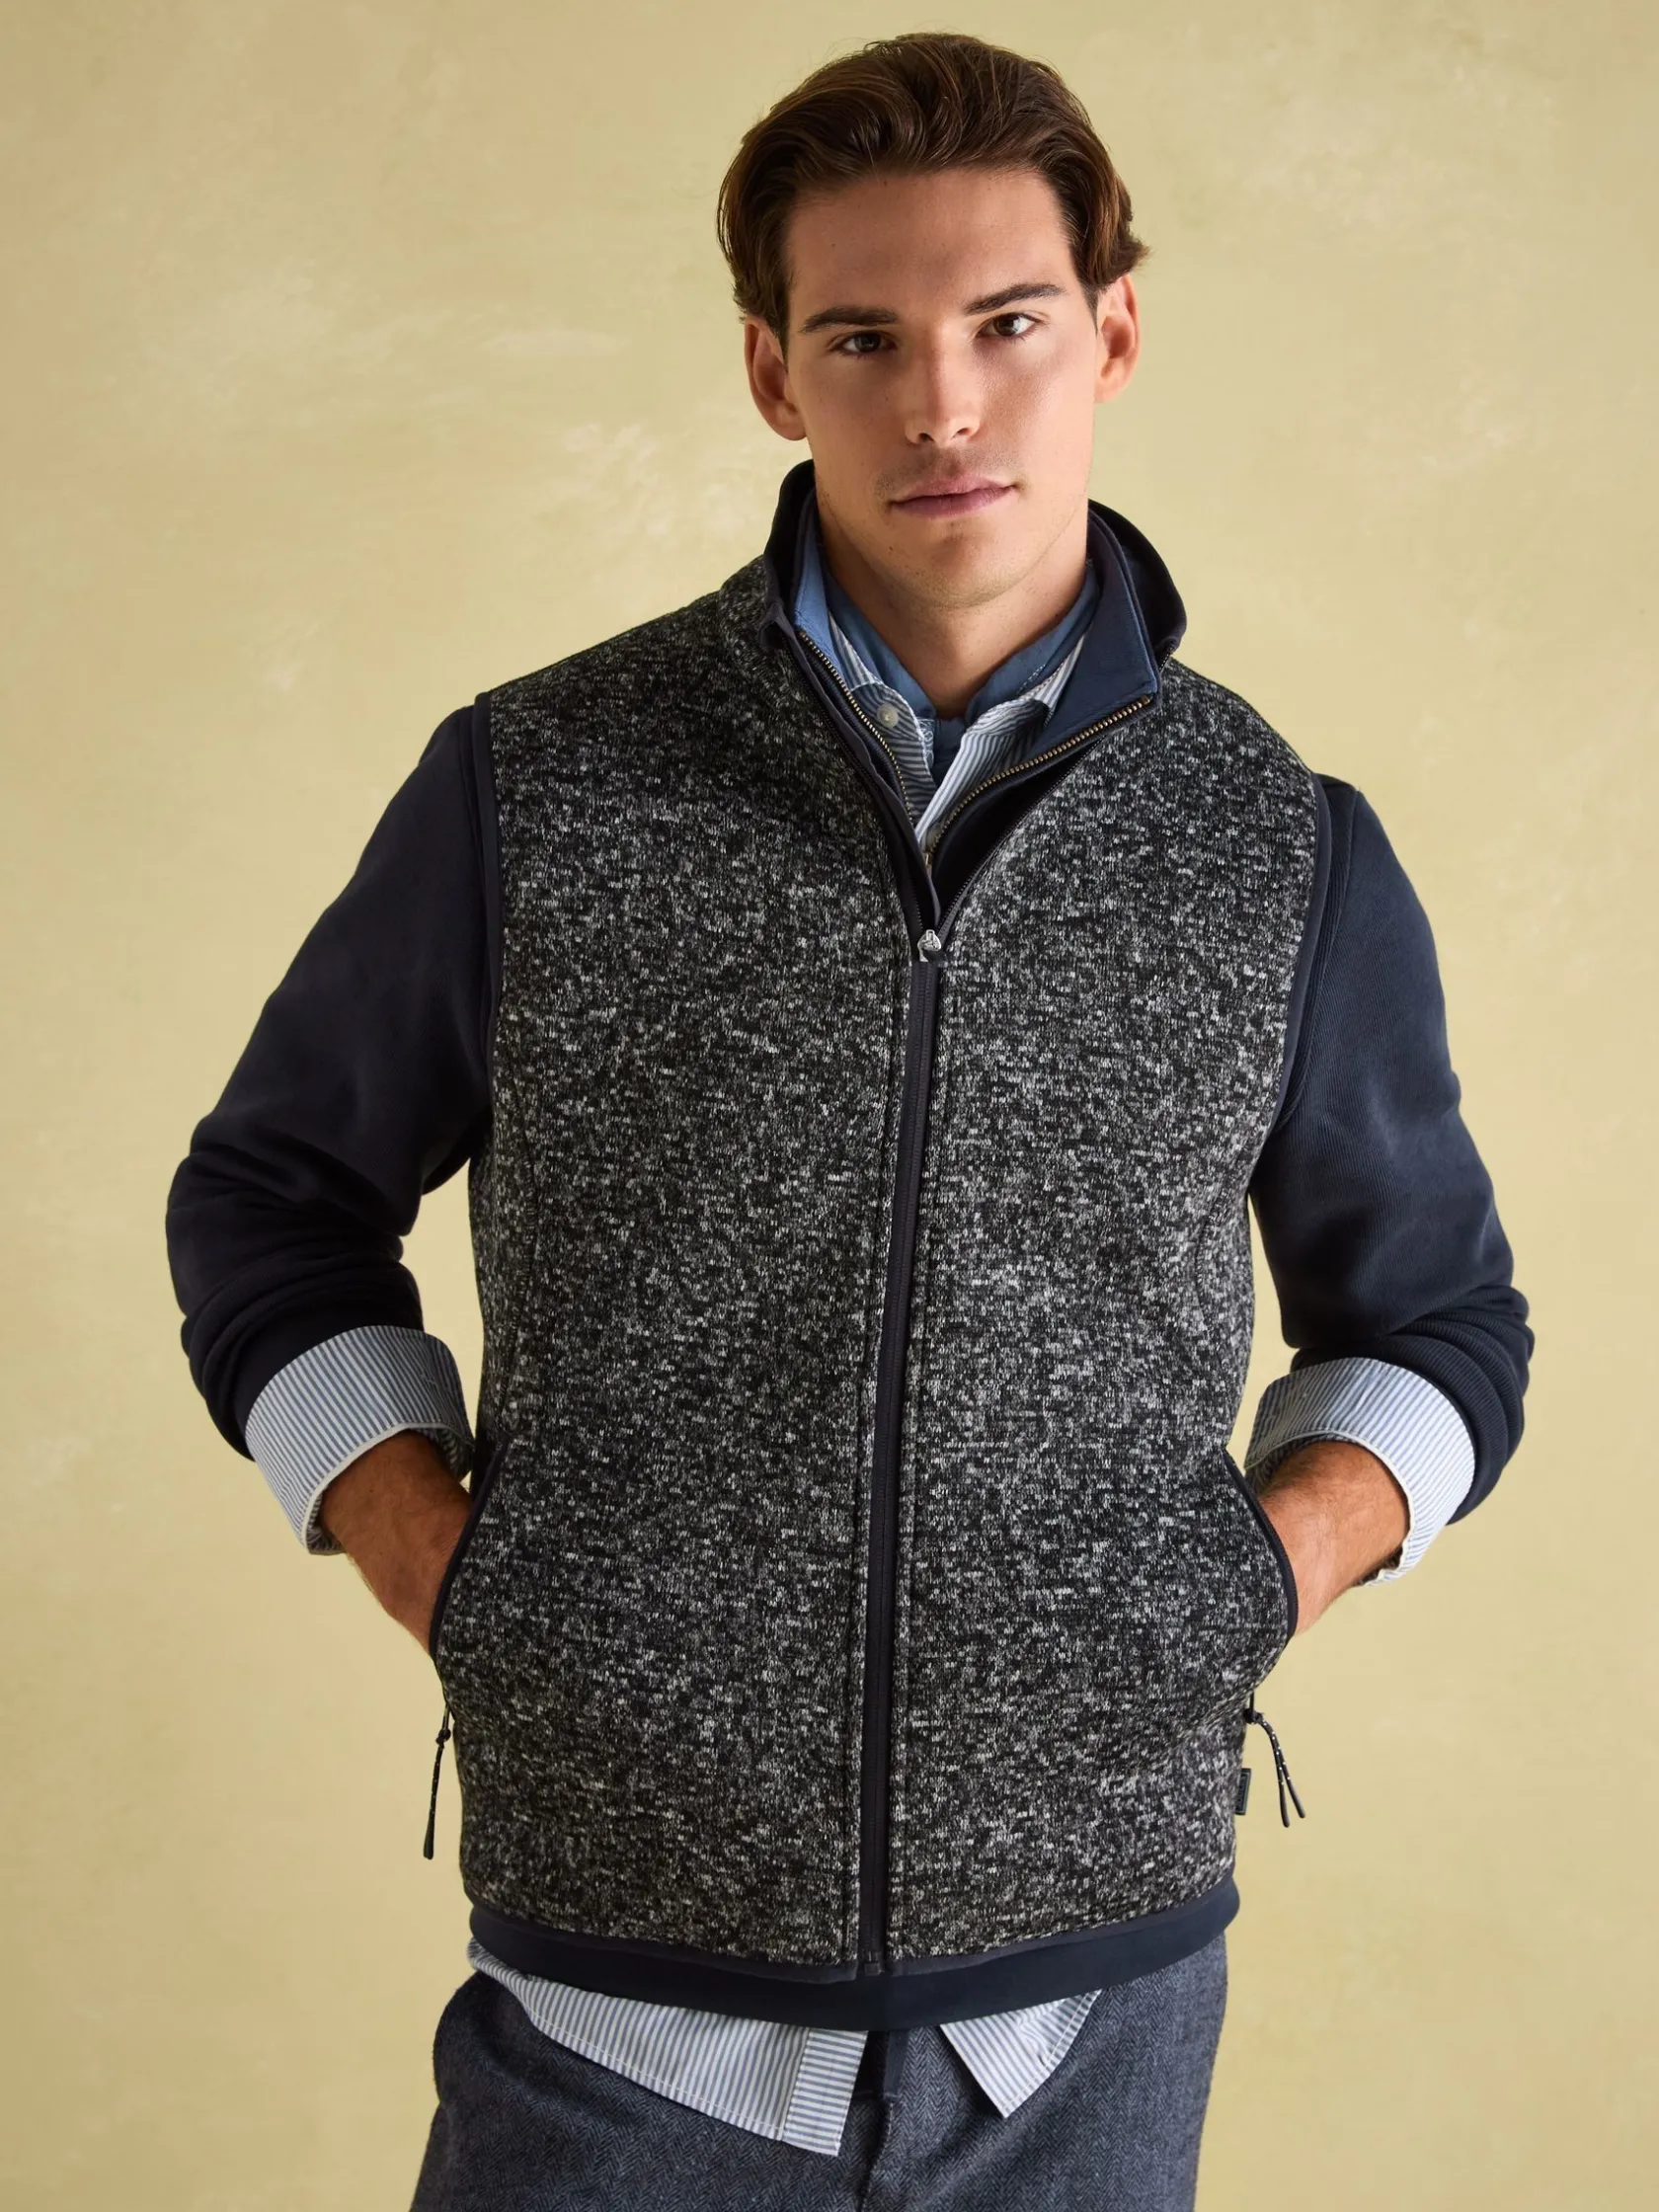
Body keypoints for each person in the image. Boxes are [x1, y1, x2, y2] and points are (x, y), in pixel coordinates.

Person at [165, 30, 1532, 2210]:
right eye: (864, 339)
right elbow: (271, 1198)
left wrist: (1246, 1585)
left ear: (1114, 333)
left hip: (1090, 2023)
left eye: (1007, 323)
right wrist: (453, 1561)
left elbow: (1441, 1325)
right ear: (771, 373)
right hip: (616, 2010)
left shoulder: (1278, 848)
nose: (944, 405)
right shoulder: (542, 784)